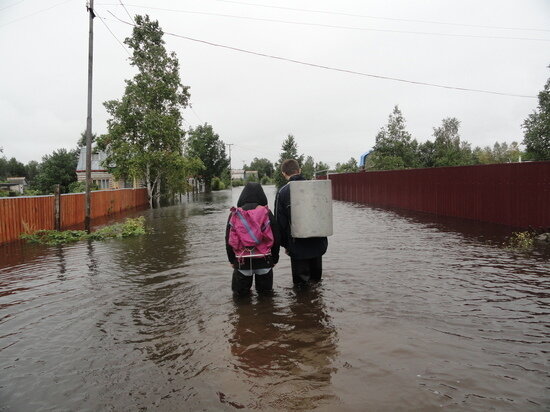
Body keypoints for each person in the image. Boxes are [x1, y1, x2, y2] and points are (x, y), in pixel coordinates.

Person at [275, 159, 328, 286]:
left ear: (284, 173)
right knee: (316, 284)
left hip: (297, 246)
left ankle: (303, 305)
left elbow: (279, 223)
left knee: (301, 289)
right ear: (300, 170)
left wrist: (285, 245)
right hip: (318, 243)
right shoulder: (317, 187)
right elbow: (325, 214)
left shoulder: (282, 192)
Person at [226, 182, 280, 296]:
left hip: (242, 262)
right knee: (266, 298)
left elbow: (228, 239)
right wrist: (274, 259)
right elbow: (276, 237)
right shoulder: (267, 212)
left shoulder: (235, 213)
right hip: (264, 261)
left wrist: (231, 260)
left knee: (240, 300)